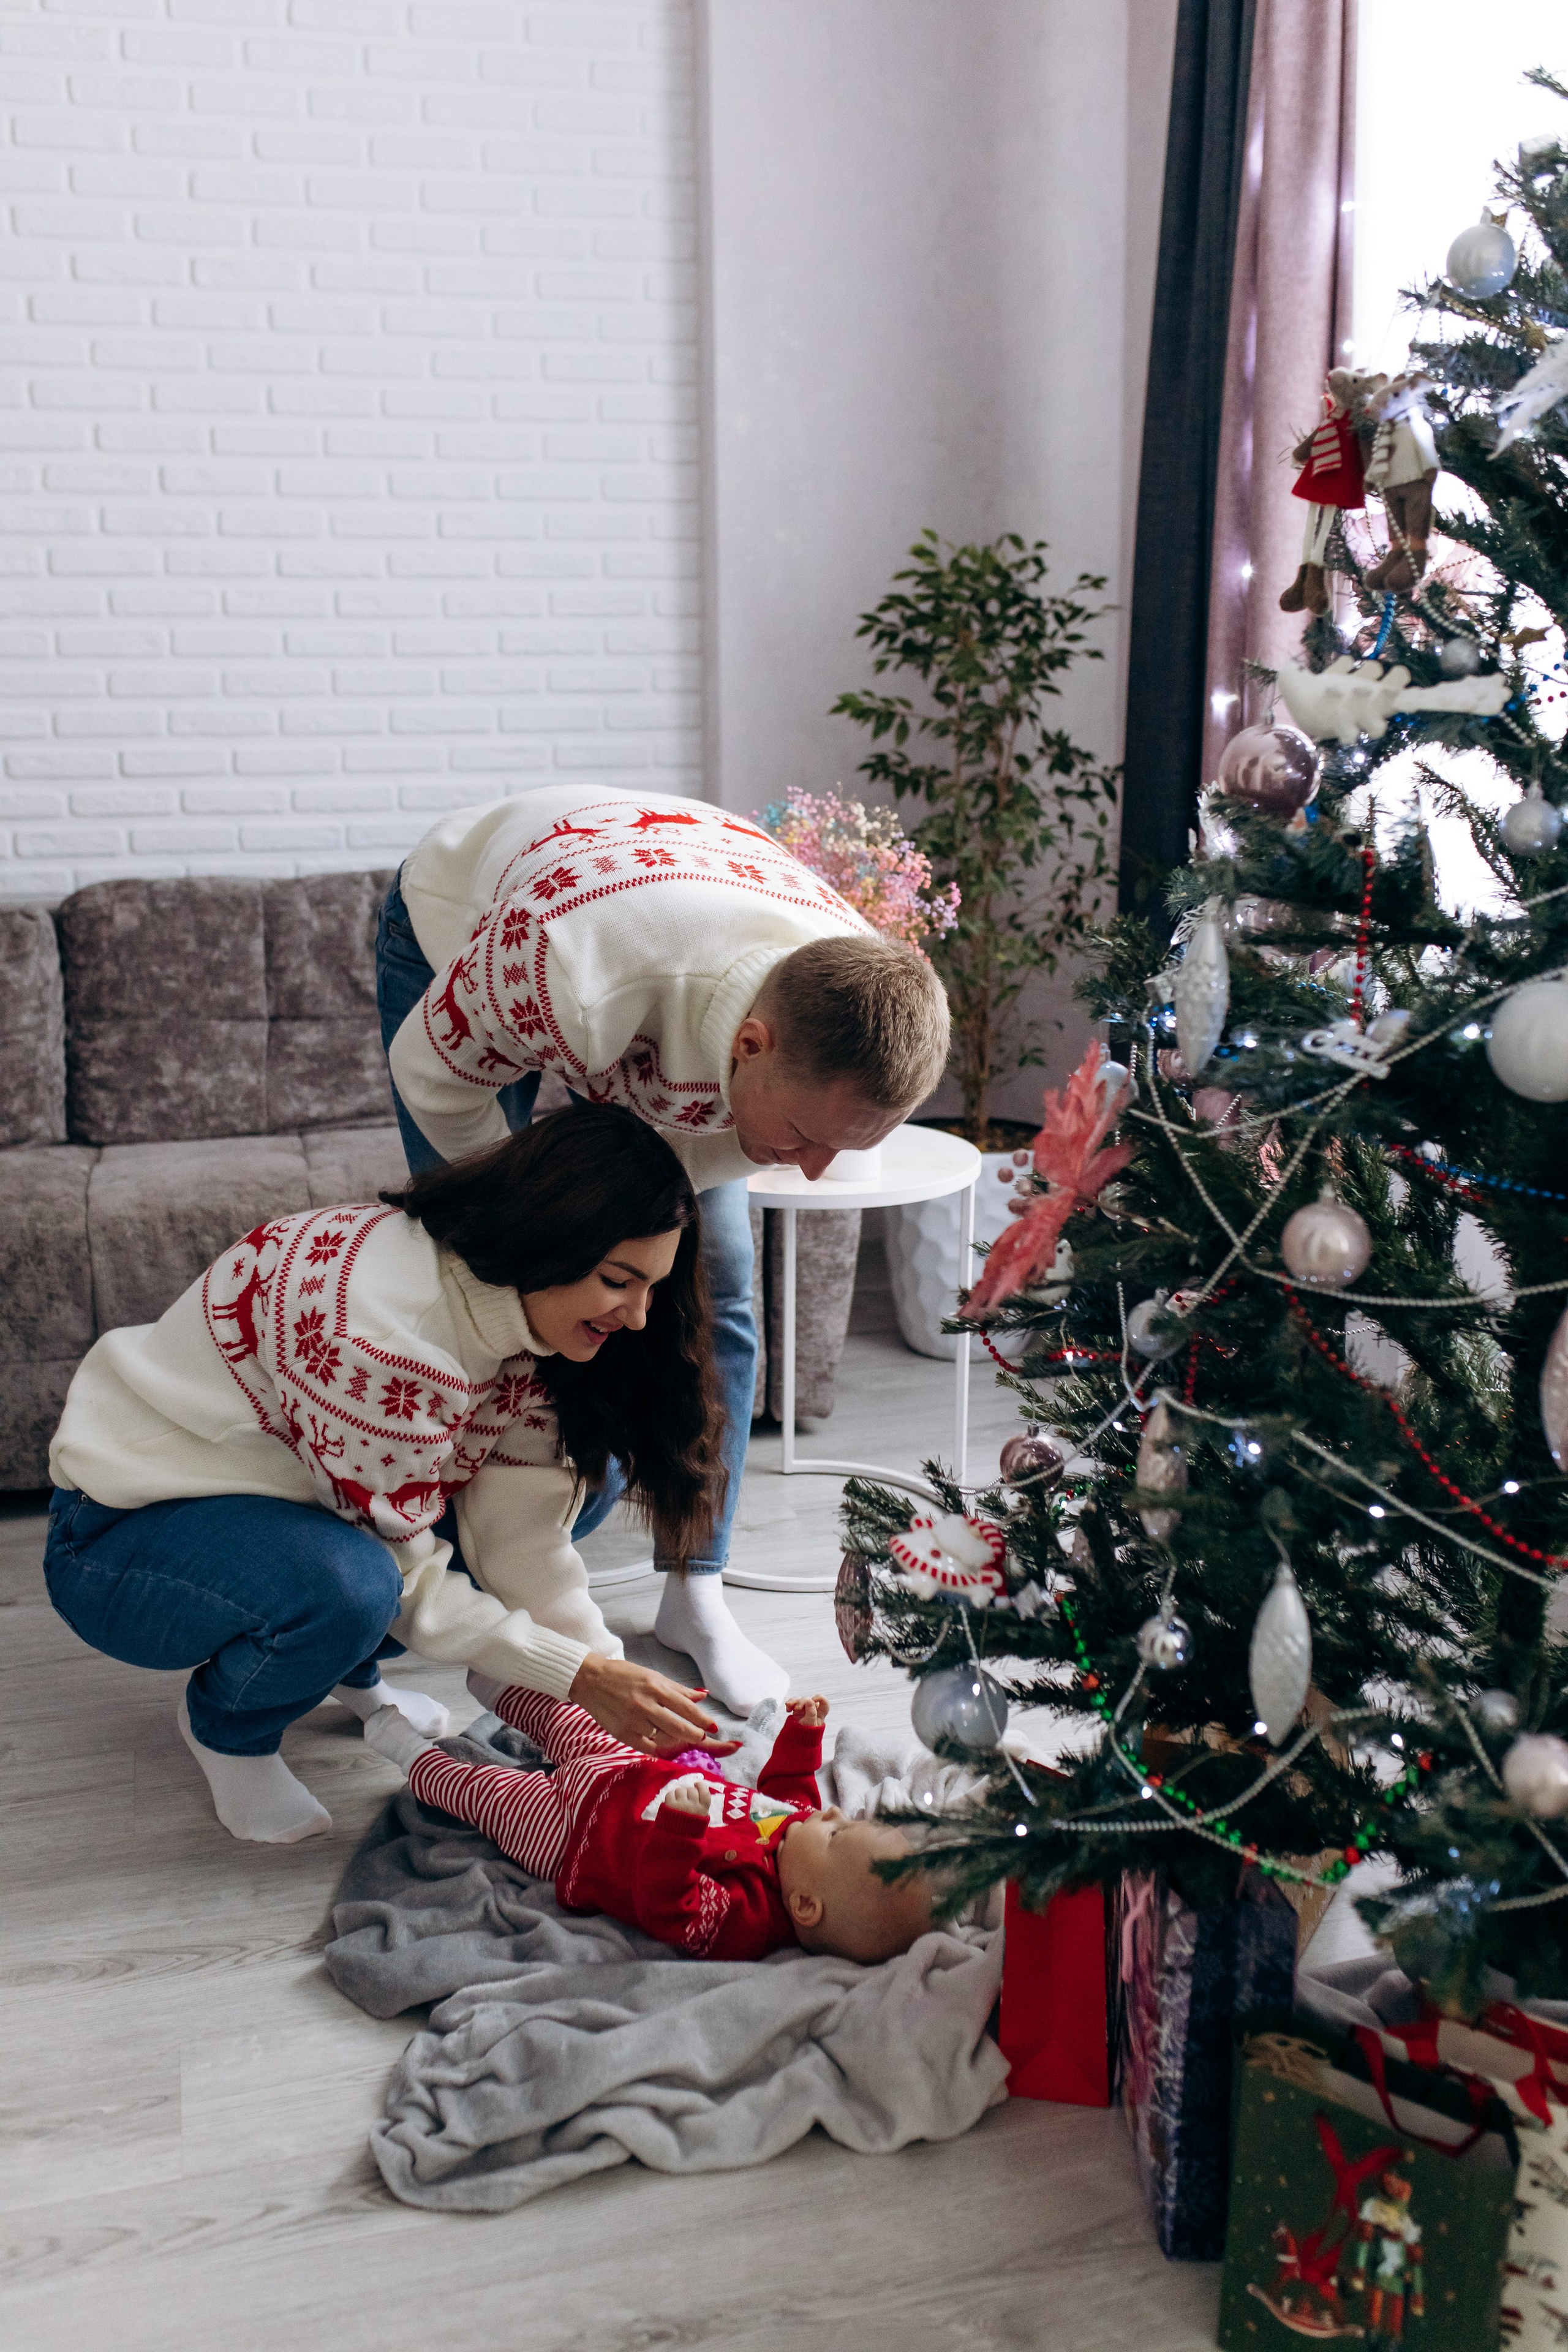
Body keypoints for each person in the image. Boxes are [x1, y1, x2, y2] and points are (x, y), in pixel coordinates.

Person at [376, 785, 951, 1709]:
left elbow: (691, 1234)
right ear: (752, 1047)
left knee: (718, 1288)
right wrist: (539, 1228)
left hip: (682, 940)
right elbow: (429, 1074)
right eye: (805, 1136)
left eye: (839, 1151)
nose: (808, 1174)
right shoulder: (562, 966)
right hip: (482, 925)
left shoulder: (840, 991)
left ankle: (696, 1591)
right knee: (486, 1272)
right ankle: (480, 1601)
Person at [43, 1106, 738, 1847]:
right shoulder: (382, 1336)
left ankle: (342, 1665)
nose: (637, 1317)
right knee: (359, 1589)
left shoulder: (529, 1324)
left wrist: (607, 1676)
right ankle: (228, 1728)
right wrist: (582, 1679)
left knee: (562, 1503)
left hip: (299, 1498)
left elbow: (518, 1541)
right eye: (617, 1281)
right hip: (121, 1528)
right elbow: (410, 1579)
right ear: (551, 1237)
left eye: (652, 1290)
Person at [365, 1683, 935, 1964]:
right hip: (628, 1769)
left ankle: (410, 1754)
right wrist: (803, 1738)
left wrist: (681, 1833)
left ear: (806, 1906)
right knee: (567, 1716)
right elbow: (787, 1790)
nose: (831, 1812)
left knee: (481, 1794)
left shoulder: (747, 1919)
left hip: (573, 1840)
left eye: (837, 1833)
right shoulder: (799, 1833)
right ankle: (497, 1678)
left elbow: (672, 1906)